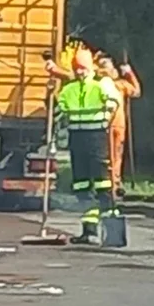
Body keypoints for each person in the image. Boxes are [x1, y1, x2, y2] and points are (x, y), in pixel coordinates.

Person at [57, 45, 121, 244]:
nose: (80, 72)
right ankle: (89, 230)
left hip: (97, 137)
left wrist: (106, 110)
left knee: (103, 183)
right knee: (82, 184)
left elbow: (113, 102)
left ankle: (113, 232)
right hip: (77, 138)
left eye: (83, 68)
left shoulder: (102, 83)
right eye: (77, 68)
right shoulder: (69, 89)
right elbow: (59, 109)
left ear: (91, 67)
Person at [96, 52, 141, 197]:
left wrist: (129, 73)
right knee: (108, 156)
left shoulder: (120, 85)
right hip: (103, 124)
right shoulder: (98, 84)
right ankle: (108, 183)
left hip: (118, 125)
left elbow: (136, 91)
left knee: (117, 156)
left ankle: (115, 182)